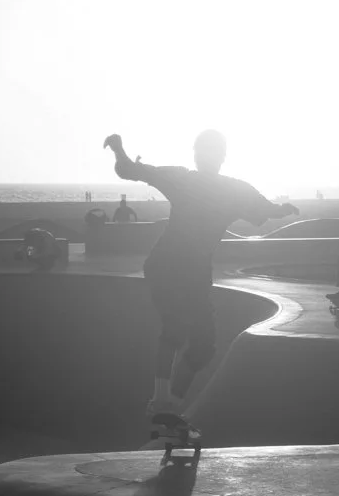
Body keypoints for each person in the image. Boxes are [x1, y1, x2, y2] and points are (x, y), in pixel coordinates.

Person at [103, 129, 297, 421]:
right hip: (168, 266)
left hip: (190, 271)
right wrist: (281, 209)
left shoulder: (198, 182)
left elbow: (127, 169)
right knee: (176, 329)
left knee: (204, 346)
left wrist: (118, 149)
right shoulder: (219, 187)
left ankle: (172, 408)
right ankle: (161, 401)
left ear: (217, 156)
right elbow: (265, 210)